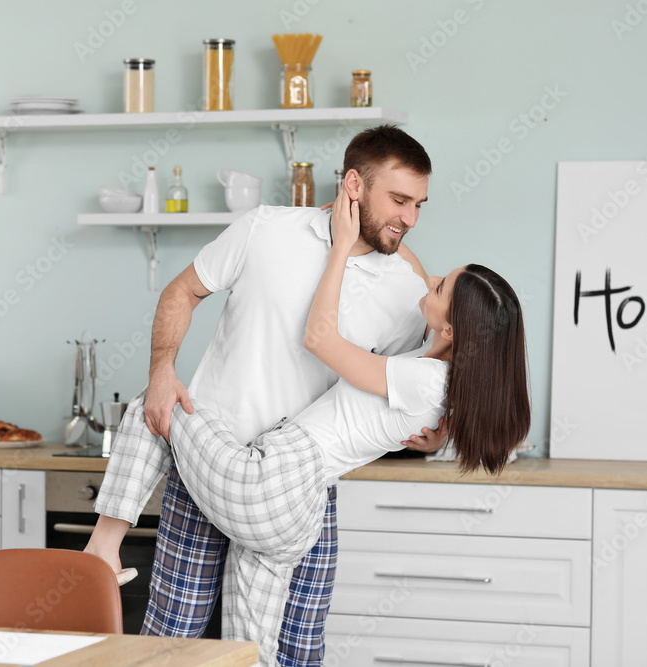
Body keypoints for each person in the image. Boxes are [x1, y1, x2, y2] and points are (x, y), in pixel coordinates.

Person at [84, 184, 531, 666]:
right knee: (249, 651)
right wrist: (365, 217)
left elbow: (320, 337)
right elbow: (418, 285)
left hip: (270, 481)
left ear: (450, 330)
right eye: (402, 201)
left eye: (443, 287)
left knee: (156, 403)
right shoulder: (430, 371)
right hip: (298, 510)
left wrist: (341, 243)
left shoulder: (425, 378)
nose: (434, 278)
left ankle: (100, 552)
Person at [129, 125, 446, 666]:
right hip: (206, 466)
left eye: (419, 204)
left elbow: (400, 397)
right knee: (171, 640)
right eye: (398, 200)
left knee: (295, 650)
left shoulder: (408, 295)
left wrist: (427, 437)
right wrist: (162, 371)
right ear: (354, 184)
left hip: (299, 492)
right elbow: (181, 290)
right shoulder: (265, 229)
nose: (410, 218)